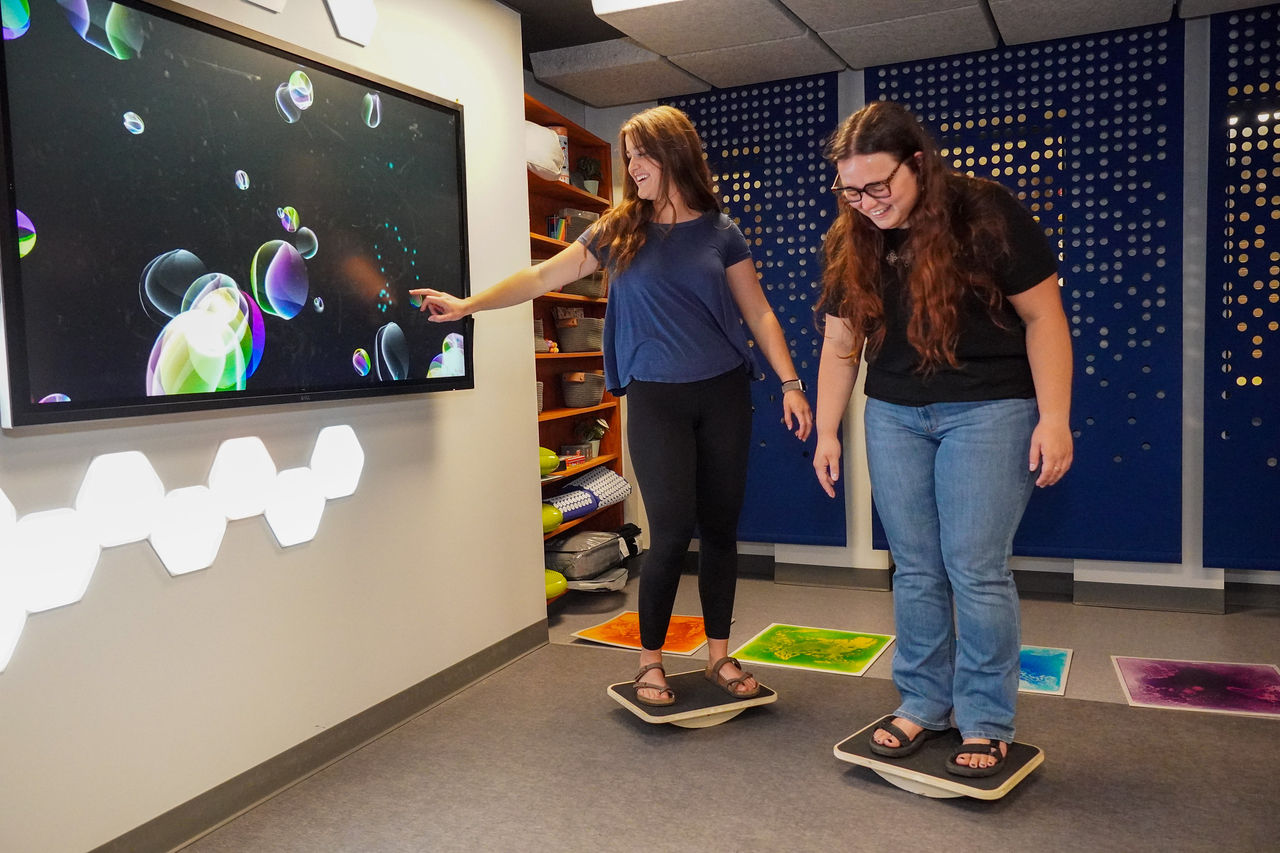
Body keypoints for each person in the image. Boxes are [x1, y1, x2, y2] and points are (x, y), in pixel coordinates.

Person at [413, 105, 812, 707]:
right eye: (627, 157)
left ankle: (718, 656)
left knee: (721, 531)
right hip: (656, 398)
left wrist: (789, 383)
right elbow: (544, 276)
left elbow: (757, 312)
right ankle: (649, 662)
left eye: (640, 154)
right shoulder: (617, 229)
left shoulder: (721, 232)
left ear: (673, 155)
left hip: (725, 391)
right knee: (672, 528)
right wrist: (467, 305)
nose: (632, 166)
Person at [811, 100, 1073, 778]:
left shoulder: (986, 213)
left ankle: (984, 718)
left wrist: (1054, 416)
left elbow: (1044, 316)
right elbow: (841, 343)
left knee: (974, 566)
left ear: (918, 164)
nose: (867, 202)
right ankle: (924, 700)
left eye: (880, 185)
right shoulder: (853, 236)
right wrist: (827, 430)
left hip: (989, 409)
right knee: (915, 566)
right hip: (895, 412)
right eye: (852, 191)